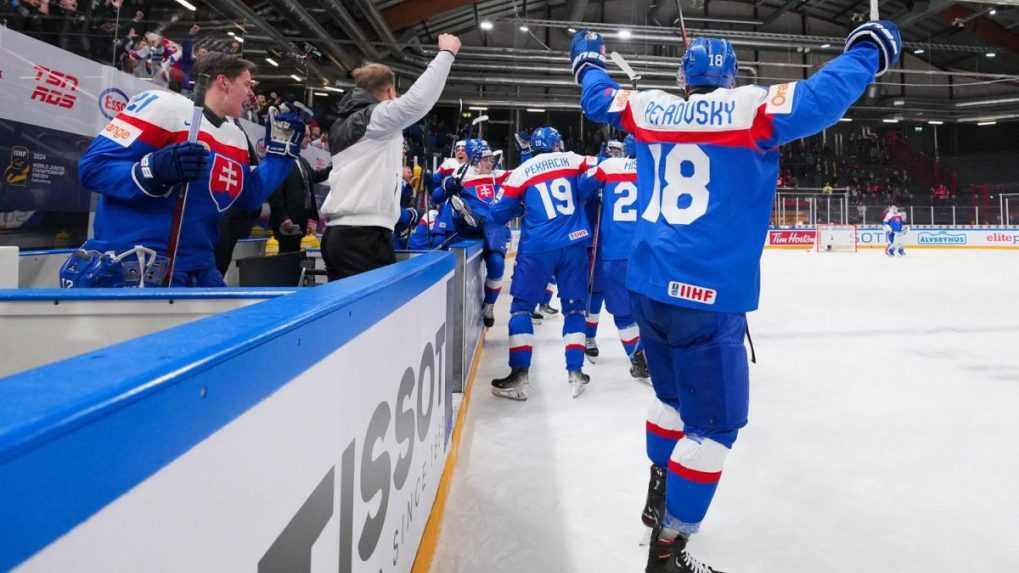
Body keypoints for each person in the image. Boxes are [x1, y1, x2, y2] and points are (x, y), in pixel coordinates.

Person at [573, 19, 901, 572]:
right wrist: (870, 50)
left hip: (648, 285)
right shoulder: (750, 106)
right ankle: (669, 552)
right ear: (730, 75)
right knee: (715, 429)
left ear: (684, 76)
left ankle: (659, 491)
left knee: (670, 401)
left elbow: (598, 97)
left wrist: (586, 58)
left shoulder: (650, 107)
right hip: (707, 295)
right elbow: (822, 99)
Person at [62, 52, 305, 288]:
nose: (252, 93)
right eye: (247, 84)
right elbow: (94, 167)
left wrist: (279, 158)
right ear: (223, 81)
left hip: (199, 268)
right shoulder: (163, 106)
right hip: (136, 261)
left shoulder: (236, 136)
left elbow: (248, 196)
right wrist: (154, 171)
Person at [320, 34, 461, 281]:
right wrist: (446, 54)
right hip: (362, 237)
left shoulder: (348, 121)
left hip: (347, 234)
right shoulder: (373, 118)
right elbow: (417, 102)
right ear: (389, 91)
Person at [483, 127, 598, 400]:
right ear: (557, 144)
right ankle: (575, 372)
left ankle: (519, 377)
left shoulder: (522, 171)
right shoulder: (573, 158)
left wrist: (521, 205)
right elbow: (598, 174)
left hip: (537, 248)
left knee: (521, 310)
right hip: (574, 245)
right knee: (575, 310)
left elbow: (497, 214)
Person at [578, 134, 649, 381]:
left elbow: (581, 186)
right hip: (650, 250)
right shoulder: (656, 167)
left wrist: (600, 164)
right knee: (649, 306)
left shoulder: (608, 166)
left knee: (621, 310)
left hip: (614, 249)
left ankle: (636, 356)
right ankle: (655, 354)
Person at [440, 139, 512, 327]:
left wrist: (528, 154)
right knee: (464, 217)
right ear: (475, 160)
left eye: (491, 159)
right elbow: (437, 195)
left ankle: (489, 305)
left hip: (493, 227)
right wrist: (448, 186)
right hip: (472, 227)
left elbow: (523, 174)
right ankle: (465, 216)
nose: (490, 163)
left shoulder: (499, 175)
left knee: (496, 264)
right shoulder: (461, 175)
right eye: (486, 159)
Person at [269, 126, 329, 253]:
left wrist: (335, 165)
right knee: (285, 263)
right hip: (286, 224)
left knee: (295, 264)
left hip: (301, 225)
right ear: (295, 136)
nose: (309, 139)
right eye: (306, 136)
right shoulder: (280, 158)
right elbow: (274, 192)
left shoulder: (302, 160)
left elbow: (316, 177)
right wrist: (283, 218)